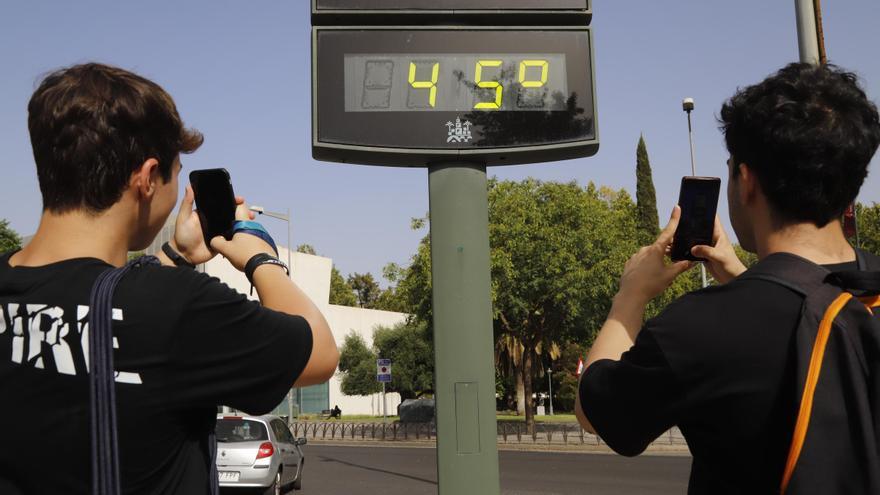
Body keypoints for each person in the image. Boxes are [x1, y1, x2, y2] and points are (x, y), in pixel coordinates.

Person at [0, 63, 339, 494]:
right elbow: (321, 352)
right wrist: (261, 259)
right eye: (176, 175)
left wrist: (177, 255)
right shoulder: (180, 308)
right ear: (146, 178)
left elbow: (95, 302)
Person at [575, 63, 880, 493]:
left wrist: (630, 296)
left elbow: (595, 413)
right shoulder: (865, 297)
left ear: (746, 181)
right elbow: (812, 309)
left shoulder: (701, 327)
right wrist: (743, 278)